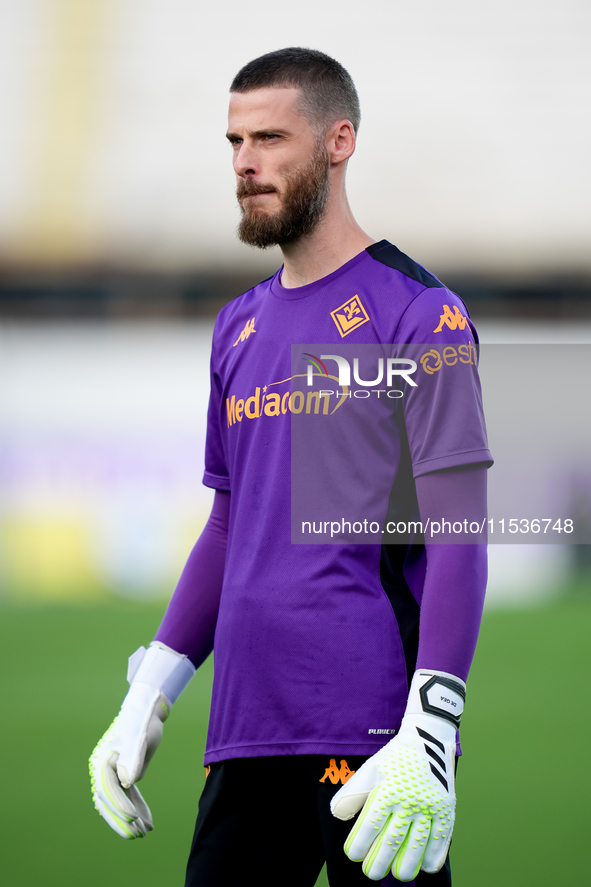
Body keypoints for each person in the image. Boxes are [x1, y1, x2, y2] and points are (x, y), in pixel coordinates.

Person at [89, 48, 492, 886]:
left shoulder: (418, 311)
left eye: (270, 137)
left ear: (338, 141)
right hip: (244, 733)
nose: (245, 163)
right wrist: (153, 685)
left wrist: (433, 723)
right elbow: (230, 523)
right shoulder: (235, 327)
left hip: (376, 742)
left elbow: (458, 531)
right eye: (234, 141)